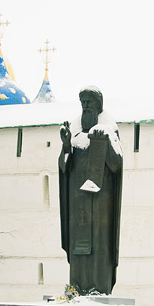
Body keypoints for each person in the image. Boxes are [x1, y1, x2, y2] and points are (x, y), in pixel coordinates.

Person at [58, 86, 123, 295]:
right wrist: (67, 146)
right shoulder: (76, 135)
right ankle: (76, 287)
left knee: (98, 244)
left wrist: (104, 141)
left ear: (98, 106)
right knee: (79, 247)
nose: (85, 106)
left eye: (89, 102)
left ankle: (98, 287)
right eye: (82, 102)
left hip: (101, 203)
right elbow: (64, 168)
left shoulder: (108, 130)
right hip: (78, 202)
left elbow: (116, 165)